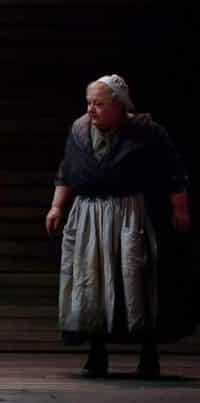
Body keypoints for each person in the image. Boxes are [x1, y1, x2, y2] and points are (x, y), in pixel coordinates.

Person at [46, 74, 193, 378]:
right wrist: (57, 206)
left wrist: (180, 208)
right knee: (92, 282)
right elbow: (66, 171)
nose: (91, 109)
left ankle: (148, 355)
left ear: (119, 106)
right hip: (89, 215)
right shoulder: (79, 130)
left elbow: (173, 170)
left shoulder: (146, 131)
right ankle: (96, 354)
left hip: (130, 213)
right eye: (89, 103)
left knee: (136, 281)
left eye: (99, 104)